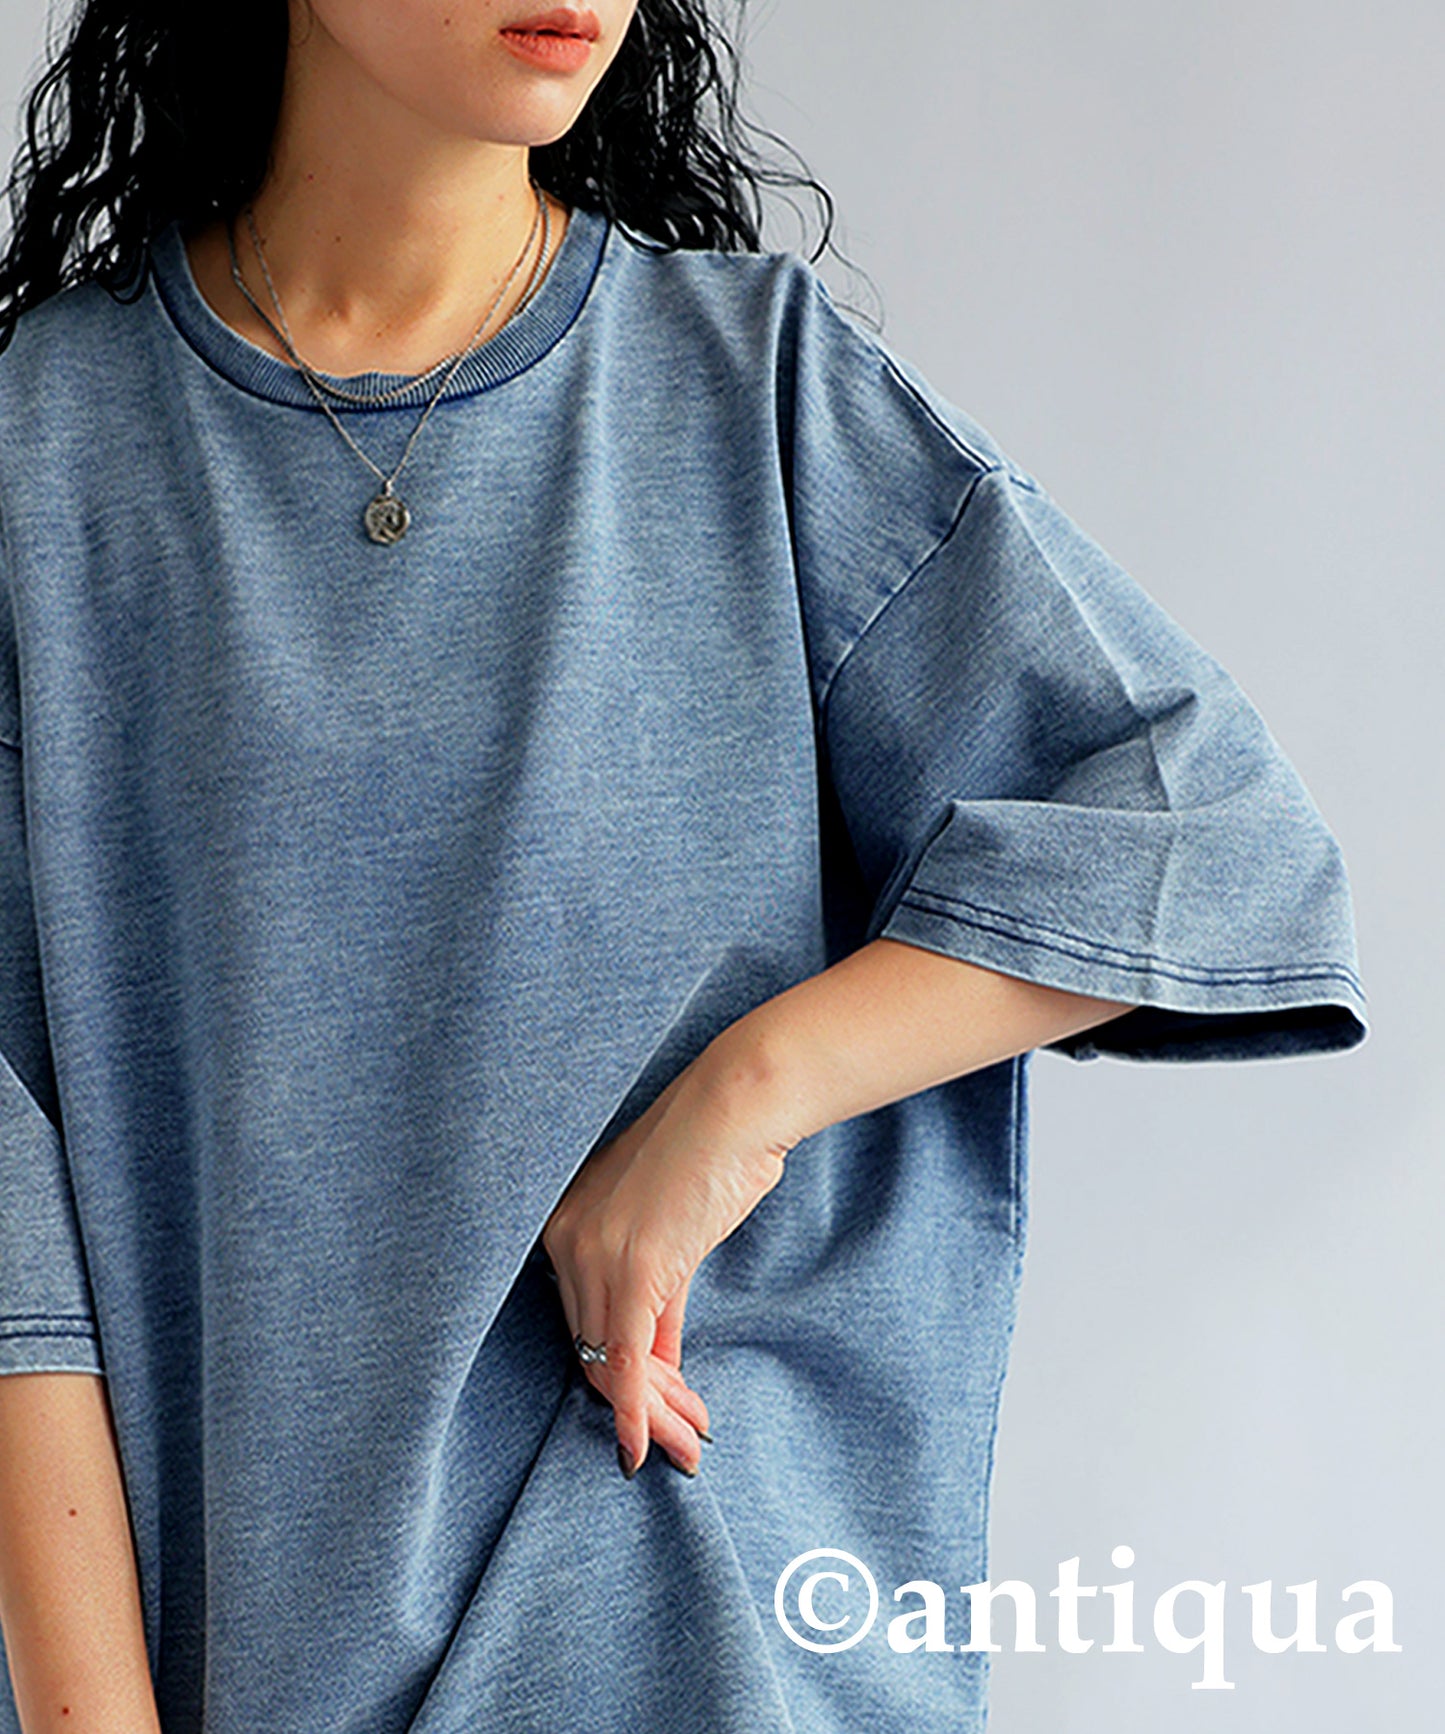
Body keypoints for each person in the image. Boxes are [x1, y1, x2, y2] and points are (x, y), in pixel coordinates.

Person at [0, 1, 1368, 1730]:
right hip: (254, 1654)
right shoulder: (48, 447)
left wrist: (735, 1105)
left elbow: (1208, 835)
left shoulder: (755, 387)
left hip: (708, 1623)